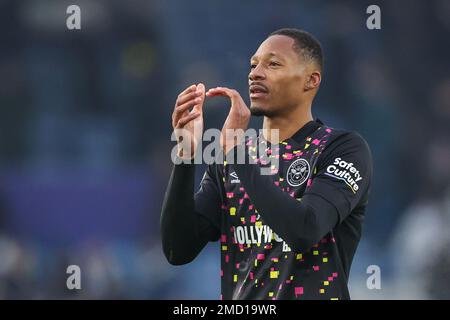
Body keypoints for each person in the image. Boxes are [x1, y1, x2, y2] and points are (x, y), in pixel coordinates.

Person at [161, 28, 373, 300]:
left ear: (310, 80)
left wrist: (236, 153)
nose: (255, 73)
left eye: (272, 64)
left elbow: (305, 230)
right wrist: (186, 155)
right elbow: (177, 250)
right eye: (253, 65)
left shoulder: (341, 149)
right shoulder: (232, 160)